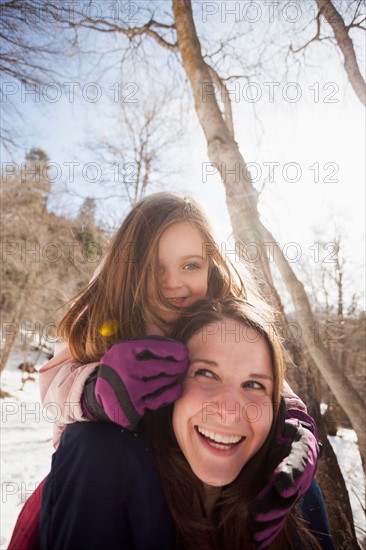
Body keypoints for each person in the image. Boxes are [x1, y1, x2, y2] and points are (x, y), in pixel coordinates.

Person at [8, 192, 320, 549]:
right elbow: (55, 383)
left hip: (200, 468)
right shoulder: (106, 315)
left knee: (299, 488)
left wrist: (296, 425)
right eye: (156, 268)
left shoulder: (222, 308)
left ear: (211, 266)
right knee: (95, 448)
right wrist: (96, 393)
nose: (174, 283)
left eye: (190, 265)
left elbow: (261, 374)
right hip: (119, 470)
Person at [39, 298, 333, 549]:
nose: (230, 411)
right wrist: (94, 393)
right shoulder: (98, 475)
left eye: (254, 384)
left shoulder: (296, 498)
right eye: (206, 374)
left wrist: (300, 425)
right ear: (166, 387)